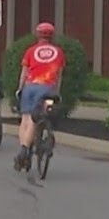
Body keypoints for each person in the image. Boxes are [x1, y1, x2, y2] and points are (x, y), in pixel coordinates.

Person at [14, 22, 66, 175]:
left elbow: (24, 72)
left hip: (31, 87)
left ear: (38, 35)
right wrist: (57, 91)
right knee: (40, 117)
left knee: (27, 120)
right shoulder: (59, 52)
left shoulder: (30, 51)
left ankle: (24, 149)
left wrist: (20, 88)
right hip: (48, 88)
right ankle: (44, 138)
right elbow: (59, 75)